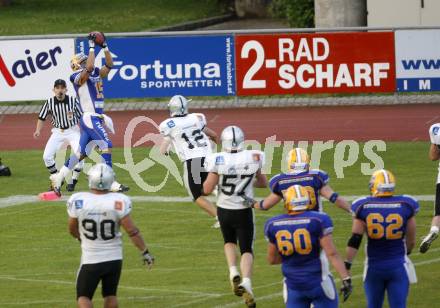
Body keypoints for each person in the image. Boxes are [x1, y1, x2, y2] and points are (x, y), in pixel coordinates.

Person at [51, 32, 128, 196]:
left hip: (95, 117)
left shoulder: (95, 73)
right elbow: (90, 67)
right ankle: (111, 182)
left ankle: (58, 178)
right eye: (83, 61)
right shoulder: (76, 76)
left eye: (86, 59)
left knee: (80, 153)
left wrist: (105, 46)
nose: (86, 61)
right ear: (77, 65)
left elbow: (109, 65)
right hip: (89, 117)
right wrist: (92, 46)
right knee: (106, 146)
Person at [67, 163, 154, 308]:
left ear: (90, 180)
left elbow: (71, 228)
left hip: (91, 258)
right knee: (110, 295)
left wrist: (81, 238)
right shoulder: (119, 200)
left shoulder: (78, 200)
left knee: (83, 297)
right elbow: (132, 231)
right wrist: (145, 251)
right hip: (114, 258)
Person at [203, 125, 267, 308]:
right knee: (246, 249)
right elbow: (263, 183)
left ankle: (232, 271)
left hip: (224, 209)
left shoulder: (218, 159)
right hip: (244, 209)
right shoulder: (254, 157)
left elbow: (207, 189)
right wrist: (245, 181)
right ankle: (246, 280)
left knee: (229, 242)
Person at [264, 185, 352, 308]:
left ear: (287, 201)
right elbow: (332, 253)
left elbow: (272, 260)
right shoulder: (318, 219)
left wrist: (292, 253)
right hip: (319, 283)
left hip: (293, 286)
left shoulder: (273, 224)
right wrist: (345, 277)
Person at [345, 169, 418, 308]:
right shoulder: (406, 205)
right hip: (398, 265)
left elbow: (355, 239)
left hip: (374, 267)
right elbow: (411, 241)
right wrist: (406, 252)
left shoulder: (363, 206)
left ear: (374, 186)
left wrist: (347, 264)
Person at [159, 95, 219, 227]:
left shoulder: (168, 125)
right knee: (205, 188)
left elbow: (162, 150)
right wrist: (215, 148)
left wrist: (166, 152)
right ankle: (218, 189)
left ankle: (220, 217)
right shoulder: (197, 118)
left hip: (193, 161)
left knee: (196, 195)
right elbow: (214, 135)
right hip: (209, 158)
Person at [247, 147, 350, 213]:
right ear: (307, 161)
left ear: (289, 162)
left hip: (292, 224)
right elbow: (334, 198)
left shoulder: (280, 181)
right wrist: (352, 211)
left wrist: (248, 202)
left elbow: (264, 205)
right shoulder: (316, 176)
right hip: (317, 221)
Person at [34, 79, 83, 191]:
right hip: (57, 131)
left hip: (73, 130)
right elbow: (42, 117)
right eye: (58, 88)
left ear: (66, 89)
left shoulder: (73, 101)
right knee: (47, 157)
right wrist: (38, 130)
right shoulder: (49, 102)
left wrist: (87, 132)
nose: (60, 90)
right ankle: (57, 179)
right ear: (54, 90)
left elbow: (81, 117)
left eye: (62, 88)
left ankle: (74, 180)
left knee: (80, 155)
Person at [420, 123, 440, 252]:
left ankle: (433, 230)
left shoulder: (436, 129)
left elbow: (433, 157)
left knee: (438, 213)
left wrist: (435, 142)